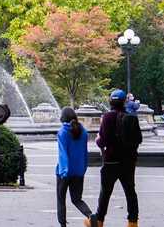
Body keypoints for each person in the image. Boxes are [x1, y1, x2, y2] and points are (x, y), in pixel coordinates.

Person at [96, 89, 143, 227]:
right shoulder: (132, 118)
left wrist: (98, 139)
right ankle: (132, 222)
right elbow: (139, 139)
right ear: (124, 102)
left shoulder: (107, 117)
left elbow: (102, 141)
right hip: (128, 161)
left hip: (111, 160)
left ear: (110, 101)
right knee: (130, 192)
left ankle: (99, 221)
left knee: (105, 193)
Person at [55, 107, 95, 227]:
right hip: (78, 171)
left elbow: (63, 153)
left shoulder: (62, 132)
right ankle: (90, 215)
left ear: (63, 117)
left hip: (64, 172)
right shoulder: (83, 132)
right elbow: (84, 152)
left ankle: (63, 225)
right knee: (77, 199)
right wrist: (83, 168)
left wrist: (64, 171)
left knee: (61, 199)